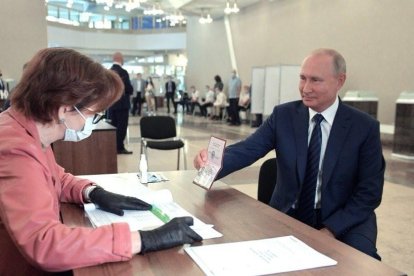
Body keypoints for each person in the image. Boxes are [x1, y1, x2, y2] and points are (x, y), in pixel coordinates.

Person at [0, 48, 202, 275]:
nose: (92, 122)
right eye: (93, 114)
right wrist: (144, 239)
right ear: (65, 109)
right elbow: (45, 244)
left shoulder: (28, 131)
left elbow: (55, 177)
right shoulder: (16, 149)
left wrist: (93, 192)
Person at [194, 48, 385, 260]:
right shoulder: (283, 116)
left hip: (345, 218)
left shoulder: (364, 128)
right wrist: (211, 162)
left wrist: (330, 230)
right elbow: (248, 149)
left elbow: (369, 192)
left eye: (315, 80)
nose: (305, 88)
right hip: (290, 213)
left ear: (340, 81)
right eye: (302, 78)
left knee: (363, 264)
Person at [108, 52, 133, 154]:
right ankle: (120, 147)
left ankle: (113, 146)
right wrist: (131, 89)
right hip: (122, 104)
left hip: (112, 104)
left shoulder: (109, 72)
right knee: (122, 126)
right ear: (120, 59)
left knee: (113, 126)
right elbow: (128, 88)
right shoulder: (123, 72)